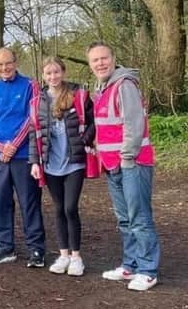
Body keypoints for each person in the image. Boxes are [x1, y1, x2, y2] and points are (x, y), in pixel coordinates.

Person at [87, 42, 160, 291]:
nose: (100, 63)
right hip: (113, 165)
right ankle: (130, 264)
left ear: (113, 58)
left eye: (104, 58)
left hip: (132, 163)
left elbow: (134, 124)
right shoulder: (101, 89)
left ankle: (148, 269)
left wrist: (127, 157)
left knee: (139, 217)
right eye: (95, 60)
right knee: (124, 218)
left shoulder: (124, 85)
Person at [28, 56, 95, 276]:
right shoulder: (39, 101)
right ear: (43, 76)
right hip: (50, 164)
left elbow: (95, 121)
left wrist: (85, 139)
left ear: (63, 72)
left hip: (74, 162)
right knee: (58, 209)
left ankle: (76, 257)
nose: (53, 77)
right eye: (48, 73)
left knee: (70, 208)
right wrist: (35, 161)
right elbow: (34, 133)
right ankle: (63, 254)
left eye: (56, 72)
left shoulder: (79, 95)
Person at [0, 47, 46, 267]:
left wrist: (14, 145)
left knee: (29, 201)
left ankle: (36, 249)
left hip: (23, 155)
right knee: (0, 202)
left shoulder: (30, 86)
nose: (4, 68)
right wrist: (2, 147)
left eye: (7, 63)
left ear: (15, 62)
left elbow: (32, 118)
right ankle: (5, 246)